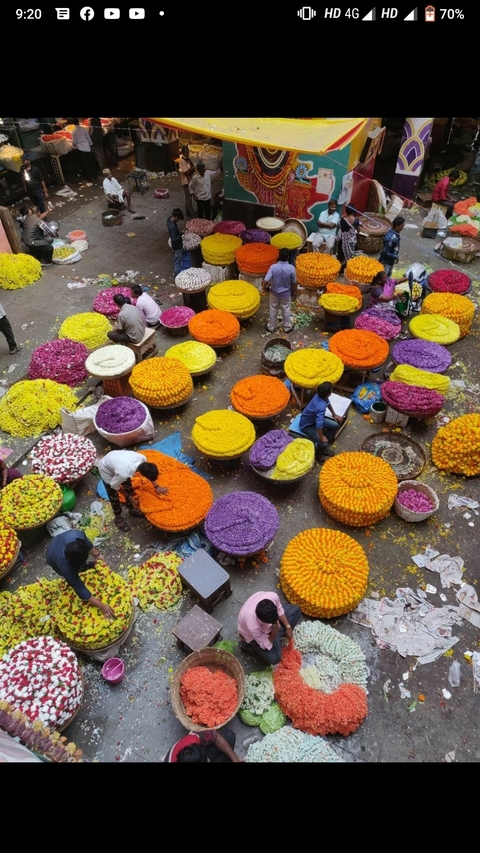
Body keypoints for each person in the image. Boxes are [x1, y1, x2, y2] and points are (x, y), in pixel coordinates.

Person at [45, 530, 115, 619]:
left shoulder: (78, 535)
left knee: (80, 565)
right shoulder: (65, 567)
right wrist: (102, 606)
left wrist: (97, 555)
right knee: (72, 576)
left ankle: (84, 566)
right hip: (52, 555)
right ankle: (81, 567)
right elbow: (80, 588)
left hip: (62, 540)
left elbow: (87, 543)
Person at [97, 450, 168, 531]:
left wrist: (156, 486)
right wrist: (127, 496)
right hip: (105, 468)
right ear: (142, 474)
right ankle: (118, 518)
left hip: (117, 461)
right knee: (113, 495)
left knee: (128, 486)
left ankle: (131, 508)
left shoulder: (142, 459)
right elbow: (114, 485)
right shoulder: (124, 473)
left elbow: (148, 473)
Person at [237, 590, 301, 665]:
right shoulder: (252, 624)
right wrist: (273, 634)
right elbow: (263, 644)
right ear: (263, 621)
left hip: (271, 625)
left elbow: (279, 609)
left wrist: (288, 626)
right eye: (272, 622)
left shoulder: (272, 597)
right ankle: (250, 646)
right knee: (275, 658)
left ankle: (277, 637)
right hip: (251, 634)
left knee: (296, 610)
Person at [298, 381, 343, 459]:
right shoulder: (320, 407)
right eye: (331, 390)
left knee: (335, 425)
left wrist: (334, 414)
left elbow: (328, 403)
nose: (332, 390)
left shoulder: (320, 396)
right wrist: (321, 437)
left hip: (314, 419)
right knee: (323, 443)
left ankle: (326, 440)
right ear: (328, 394)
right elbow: (319, 424)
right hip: (306, 425)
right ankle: (319, 455)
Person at [262, 247, 297, 334]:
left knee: (273, 308)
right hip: (286, 294)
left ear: (278, 256)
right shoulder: (291, 268)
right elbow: (294, 283)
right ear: (288, 257)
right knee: (286, 309)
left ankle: (271, 327)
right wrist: (294, 293)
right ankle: (287, 327)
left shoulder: (273, 267)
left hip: (274, 293)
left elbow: (265, 280)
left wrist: (264, 287)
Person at [165, 728, 242, 763]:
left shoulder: (192, 740)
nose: (209, 760)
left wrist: (235, 759)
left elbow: (215, 736)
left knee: (228, 736)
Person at [71, 117, 98, 182]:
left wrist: (74, 145)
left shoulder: (74, 131)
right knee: (91, 162)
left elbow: (74, 142)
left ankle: (89, 177)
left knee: (85, 164)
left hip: (80, 149)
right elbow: (88, 138)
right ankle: (95, 175)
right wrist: (91, 145)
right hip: (87, 147)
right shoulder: (83, 129)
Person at [337, 205, 360, 271]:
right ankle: (348, 269)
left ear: (346, 211)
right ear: (354, 211)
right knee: (350, 254)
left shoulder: (342, 219)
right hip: (351, 242)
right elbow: (359, 231)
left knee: (341, 255)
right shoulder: (356, 220)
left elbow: (340, 228)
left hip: (343, 241)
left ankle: (340, 270)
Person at [178, 146, 195, 216]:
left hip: (189, 180)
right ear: (183, 153)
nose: (188, 154)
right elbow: (187, 172)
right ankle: (191, 212)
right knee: (189, 198)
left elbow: (192, 168)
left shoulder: (187, 159)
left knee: (187, 197)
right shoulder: (182, 161)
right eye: (186, 153)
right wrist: (191, 170)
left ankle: (187, 211)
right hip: (185, 181)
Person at [167, 208, 184, 276]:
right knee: (177, 262)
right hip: (177, 246)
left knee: (175, 258)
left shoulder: (169, 220)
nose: (179, 221)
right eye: (179, 219)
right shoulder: (173, 227)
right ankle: (177, 277)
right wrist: (181, 233)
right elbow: (174, 239)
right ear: (176, 217)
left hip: (173, 245)